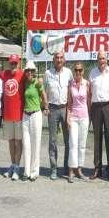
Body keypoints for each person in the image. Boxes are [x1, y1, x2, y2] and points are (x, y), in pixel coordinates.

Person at [89, 50, 109, 181]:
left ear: (107, 59)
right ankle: (97, 168)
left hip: (108, 106)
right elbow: (90, 93)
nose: (102, 61)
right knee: (97, 138)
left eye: (103, 58)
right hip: (95, 107)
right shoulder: (92, 73)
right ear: (97, 60)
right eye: (100, 58)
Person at [44, 51, 73, 180]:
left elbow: (72, 91)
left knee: (68, 140)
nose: (59, 60)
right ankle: (54, 168)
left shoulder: (69, 73)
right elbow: (44, 92)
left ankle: (67, 168)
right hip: (53, 109)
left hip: (65, 109)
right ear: (53, 59)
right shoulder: (47, 73)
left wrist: (70, 109)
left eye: (61, 58)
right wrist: (45, 107)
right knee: (53, 141)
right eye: (57, 58)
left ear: (64, 60)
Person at [22, 61, 48, 181]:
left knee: (36, 144)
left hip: (36, 115)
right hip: (25, 115)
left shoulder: (38, 82)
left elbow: (44, 96)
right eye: (28, 70)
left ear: (35, 71)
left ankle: (34, 171)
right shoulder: (24, 82)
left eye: (32, 70)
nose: (30, 72)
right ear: (25, 72)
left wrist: (45, 107)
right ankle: (26, 171)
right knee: (26, 144)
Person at [0, 54, 24, 181]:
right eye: (11, 63)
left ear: (19, 63)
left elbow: (32, 82)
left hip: (19, 114)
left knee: (18, 142)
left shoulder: (23, 75)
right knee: (10, 141)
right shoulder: (3, 74)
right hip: (7, 115)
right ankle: (13, 164)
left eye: (15, 63)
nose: (13, 65)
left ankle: (17, 167)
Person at [66, 62, 91, 183]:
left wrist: (89, 117)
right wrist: (68, 117)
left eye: (80, 70)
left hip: (84, 117)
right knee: (73, 144)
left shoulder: (87, 84)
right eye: (76, 70)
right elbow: (69, 103)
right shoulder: (70, 84)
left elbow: (89, 102)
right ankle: (71, 170)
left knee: (82, 145)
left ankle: (79, 170)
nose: (78, 72)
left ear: (83, 71)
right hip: (74, 118)